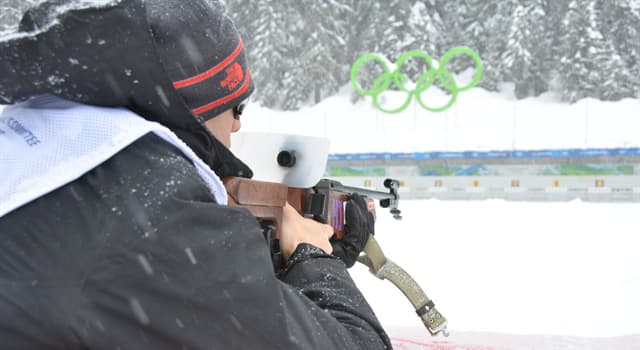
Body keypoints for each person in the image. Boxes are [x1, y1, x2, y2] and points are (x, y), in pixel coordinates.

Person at [0, 0, 392, 349]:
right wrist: (316, 261)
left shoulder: (43, 147)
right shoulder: (150, 213)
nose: (237, 127)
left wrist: (283, 271)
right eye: (237, 107)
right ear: (194, 107)